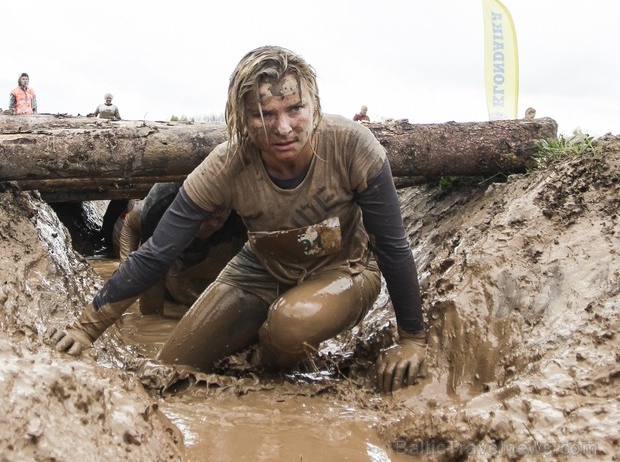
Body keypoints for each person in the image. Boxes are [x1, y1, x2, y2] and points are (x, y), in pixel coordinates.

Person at [46, 45, 427, 394]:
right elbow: (157, 252)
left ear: (314, 104)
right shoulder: (226, 165)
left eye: (295, 109)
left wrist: (412, 338)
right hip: (261, 267)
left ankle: (267, 358)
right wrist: (85, 329)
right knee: (167, 372)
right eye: (264, 114)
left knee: (290, 324)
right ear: (242, 118)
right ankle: (259, 341)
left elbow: (392, 246)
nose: (282, 128)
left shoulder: (354, 146)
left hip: (345, 268)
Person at [115, 182, 247, 316]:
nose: (212, 224)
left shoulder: (244, 211)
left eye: (219, 218)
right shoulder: (160, 206)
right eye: (206, 217)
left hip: (210, 250)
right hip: (169, 245)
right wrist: (125, 269)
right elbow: (131, 224)